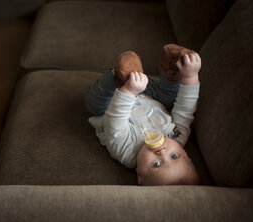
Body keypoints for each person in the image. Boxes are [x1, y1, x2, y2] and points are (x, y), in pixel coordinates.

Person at [84, 44, 201, 186]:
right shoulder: (177, 137)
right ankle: (173, 68)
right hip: (148, 95)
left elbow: (115, 121)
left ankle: (118, 76)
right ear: (187, 156)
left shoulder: (128, 154)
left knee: (93, 104)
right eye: (174, 156)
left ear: (140, 175)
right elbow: (185, 110)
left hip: (113, 102)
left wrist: (128, 92)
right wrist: (191, 76)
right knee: (170, 99)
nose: (162, 152)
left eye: (156, 165)